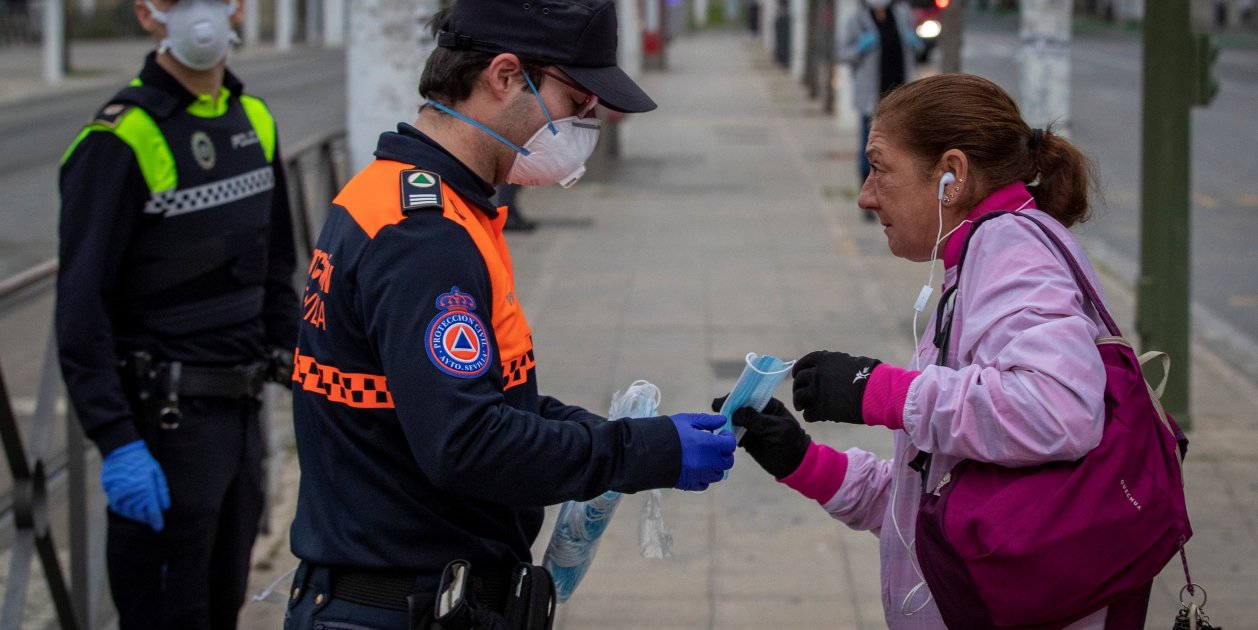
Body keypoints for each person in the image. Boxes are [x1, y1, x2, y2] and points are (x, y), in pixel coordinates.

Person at [283, 0, 736, 628]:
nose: (583, 123)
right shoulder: (425, 237)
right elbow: (467, 443)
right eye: (576, 101)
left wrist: (629, 435)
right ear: (502, 76)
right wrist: (638, 451)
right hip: (395, 605)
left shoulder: (426, 204)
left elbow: (490, 403)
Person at [725, 74, 1152, 628]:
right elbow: (931, 500)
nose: (865, 194)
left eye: (879, 168)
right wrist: (805, 463)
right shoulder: (985, 251)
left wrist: (878, 391)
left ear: (952, 174)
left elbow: (1058, 410)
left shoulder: (1010, 249)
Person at [55, 0, 299, 628]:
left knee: (222, 605)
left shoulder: (256, 118)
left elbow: (275, 275)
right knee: (167, 613)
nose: (202, 13)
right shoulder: (118, 138)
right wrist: (116, 442)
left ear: (239, 8)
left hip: (242, 425)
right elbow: (81, 310)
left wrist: (312, 371)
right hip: (162, 431)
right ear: (147, 14)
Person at [838, 0, 922, 221]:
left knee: (902, 150)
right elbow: (844, 53)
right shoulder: (858, 19)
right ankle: (870, 201)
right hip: (872, 99)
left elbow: (917, 46)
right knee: (870, 150)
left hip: (901, 98)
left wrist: (914, 42)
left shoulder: (902, 12)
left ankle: (901, 200)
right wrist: (861, 47)